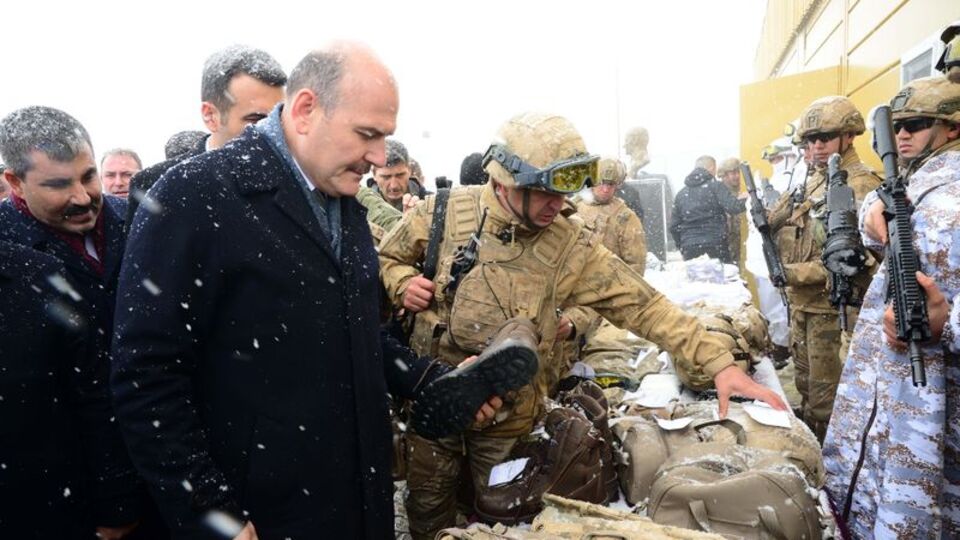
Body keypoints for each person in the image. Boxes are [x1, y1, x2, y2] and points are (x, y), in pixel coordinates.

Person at [110, 43, 509, 540]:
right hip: (264, 513)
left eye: (386, 138)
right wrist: (209, 511)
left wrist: (428, 378)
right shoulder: (193, 197)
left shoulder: (346, 207)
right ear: (304, 111)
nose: (380, 157)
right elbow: (147, 376)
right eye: (367, 134)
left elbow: (356, 330)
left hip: (356, 499)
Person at [378, 112, 786, 539]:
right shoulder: (441, 213)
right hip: (434, 401)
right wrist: (402, 282)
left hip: (509, 421)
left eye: (565, 190)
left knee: (500, 520)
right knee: (427, 511)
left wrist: (718, 361)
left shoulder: (570, 245)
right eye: (544, 192)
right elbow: (385, 259)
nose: (558, 204)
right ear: (504, 182)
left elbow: (643, 305)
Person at [824, 75, 960, 538]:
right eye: (898, 124)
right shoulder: (912, 190)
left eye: (917, 124)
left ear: (952, 128)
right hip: (885, 406)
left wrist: (950, 324)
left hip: (935, 411)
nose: (902, 135)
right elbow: (874, 222)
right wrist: (871, 212)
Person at [0, 106, 144, 539]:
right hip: (70, 493)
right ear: (14, 183)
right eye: (59, 185)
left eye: (87, 176)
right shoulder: (9, 258)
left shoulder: (139, 221)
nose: (82, 197)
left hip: (159, 460)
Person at [766, 95, 881, 441]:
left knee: (827, 400)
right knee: (804, 384)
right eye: (809, 141)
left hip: (833, 312)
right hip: (803, 306)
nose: (815, 147)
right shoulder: (811, 181)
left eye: (824, 139)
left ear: (848, 137)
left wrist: (791, 274)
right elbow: (775, 225)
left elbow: (853, 259)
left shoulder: (860, 186)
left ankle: (829, 466)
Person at [126, 45, 286, 223]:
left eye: (279, 118)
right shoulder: (153, 185)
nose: (272, 131)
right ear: (210, 116)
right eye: (256, 119)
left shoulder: (293, 180)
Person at [573, 157, 646, 274]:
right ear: (592, 182)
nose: (605, 189)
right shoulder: (574, 208)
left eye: (611, 184)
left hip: (607, 284)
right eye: (601, 183)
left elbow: (636, 263)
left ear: (617, 185)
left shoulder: (626, 217)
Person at [669, 165, 746, 263]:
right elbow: (733, 207)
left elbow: (673, 227)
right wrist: (747, 199)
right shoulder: (715, 186)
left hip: (690, 247)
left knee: (697, 277)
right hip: (715, 243)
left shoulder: (680, 195)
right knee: (723, 276)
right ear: (709, 173)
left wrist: (682, 245)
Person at [371, 138, 422, 211]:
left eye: (400, 175)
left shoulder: (434, 207)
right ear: (374, 174)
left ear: (409, 170)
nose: (393, 185)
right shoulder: (356, 209)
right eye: (386, 177)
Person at [717, 157, 745, 267]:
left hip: (737, 249)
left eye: (738, 172)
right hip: (727, 249)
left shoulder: (738, 194)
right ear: (723, 176)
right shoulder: (721, 195)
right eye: (733, 173)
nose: (737, 176)